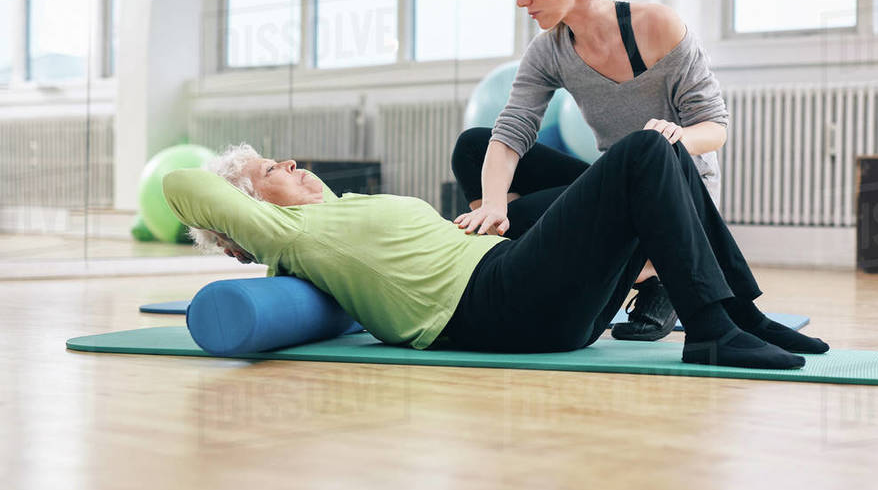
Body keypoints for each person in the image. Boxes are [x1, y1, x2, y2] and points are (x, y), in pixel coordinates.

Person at [164, 131, 829, 370]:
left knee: (665, 151)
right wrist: (245, 205)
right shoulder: (291, 235)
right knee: (643, 152)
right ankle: (710, 329)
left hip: (508, 282)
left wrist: (471, 223)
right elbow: (180, 182)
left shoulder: (339, 211)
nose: (291, 161)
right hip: (497, 303)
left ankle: (738, 314)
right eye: (270, 169)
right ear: (252, 212)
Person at [452, 0, 729, 342]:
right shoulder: (550, 51)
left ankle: (655, 273)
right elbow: (512, 130)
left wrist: (676, 138)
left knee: (540, 216)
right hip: (615, 191)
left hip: (674, 200)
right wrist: (493, 207)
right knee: (473, 145)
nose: (521, 0)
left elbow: (715, 127)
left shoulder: (656, 26)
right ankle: (539, 275)